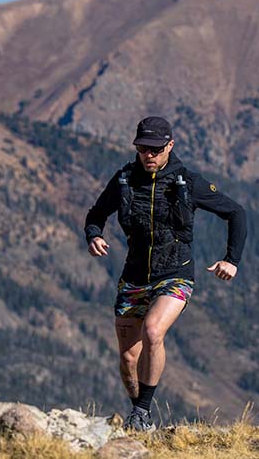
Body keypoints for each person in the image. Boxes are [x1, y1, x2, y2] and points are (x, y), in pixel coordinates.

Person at [84, 116, 247, 432]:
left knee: (154, 331)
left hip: (176, 273)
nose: (149, 155)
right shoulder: (124, 180)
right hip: (133, 279)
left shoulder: (187, 181)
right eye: (144, 148)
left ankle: (142, 411)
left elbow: (236, 212)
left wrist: (232, 260)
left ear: (170, 146)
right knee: (129, 360)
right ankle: (139, 415)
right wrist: (94, 234)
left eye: (156, 149)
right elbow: (96, 214)